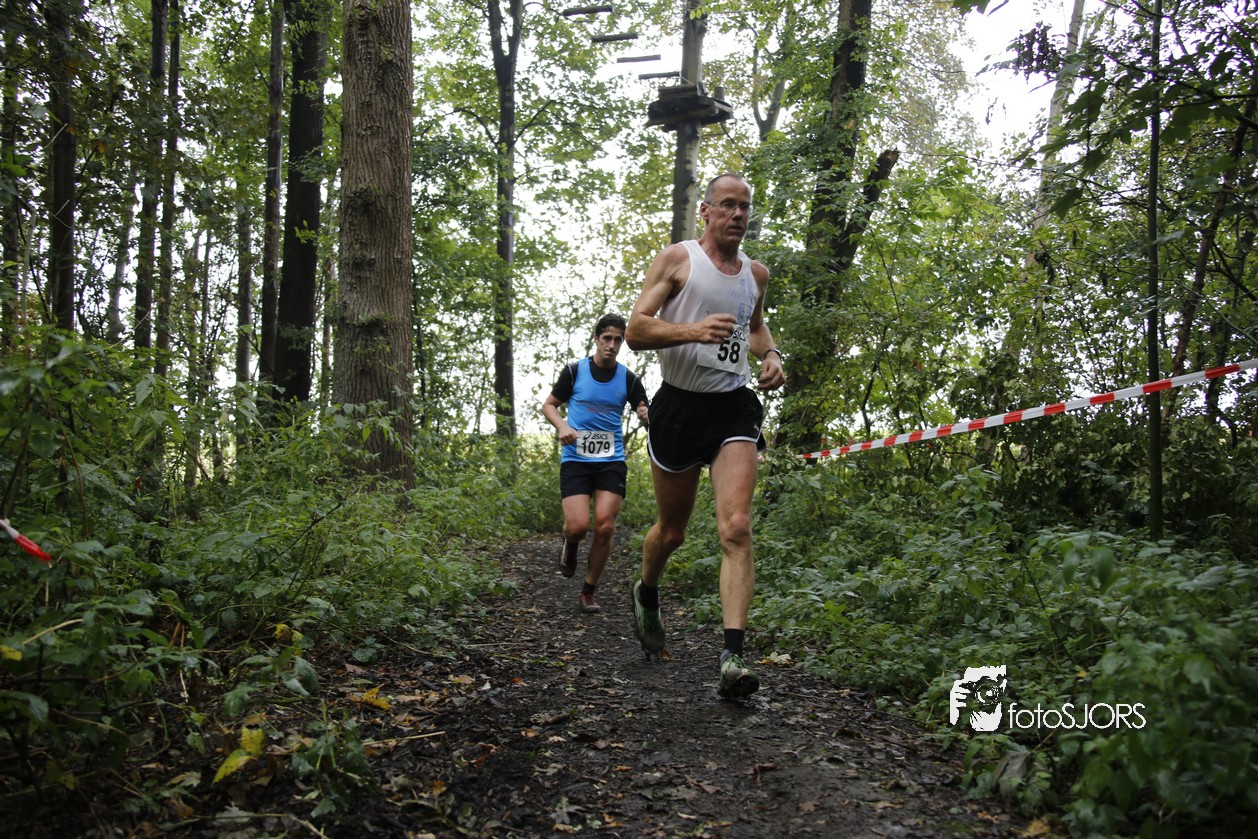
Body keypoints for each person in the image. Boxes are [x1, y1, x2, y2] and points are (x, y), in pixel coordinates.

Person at [624, 173, 785, 698]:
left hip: (732, 408)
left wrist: (771, 354)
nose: (738, 215)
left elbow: (754, 327)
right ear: (708, 211)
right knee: (671, 532)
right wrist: (693, 331)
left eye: (746, 207)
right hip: (678, 406)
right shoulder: (678, 260)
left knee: (736, 527)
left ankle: (732, 658)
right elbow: (636, 330)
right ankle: (647, 590)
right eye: (729, 205)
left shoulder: (755, 275)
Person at [542, 313, 651, 613]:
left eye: (618, 340)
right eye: (607, 338)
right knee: (578, 527)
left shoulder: (628, 378)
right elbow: (549, 406)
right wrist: (562, 425)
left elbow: (644, 409)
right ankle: (571, 542)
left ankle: (588, 591)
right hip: (576, 458)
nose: (612, 345)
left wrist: (646, 415)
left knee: (605, 527)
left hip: (610, 460)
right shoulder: (575, 372)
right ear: (597, 339)